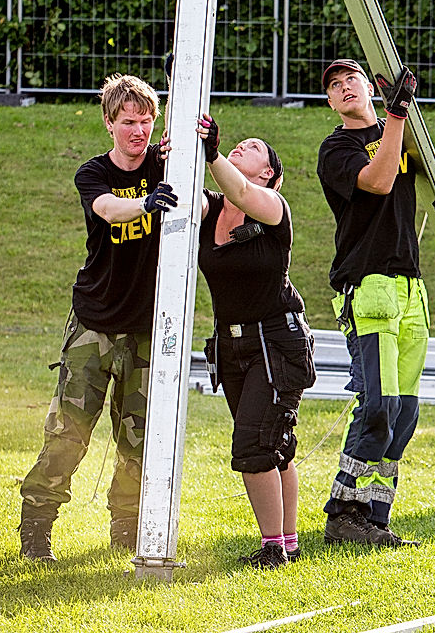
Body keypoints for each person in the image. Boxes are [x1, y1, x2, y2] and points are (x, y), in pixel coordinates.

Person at [19, 73, 178, 561]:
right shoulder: (93, 173)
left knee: (138, 439)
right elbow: (109, 210)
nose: (139, 132)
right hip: (95, 321)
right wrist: (147, 202)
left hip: (147, 329)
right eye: (129, 122)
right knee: (69, 432)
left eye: (146, 121)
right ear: (110, 123)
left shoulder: (166, 161)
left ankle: (126, 532)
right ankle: (37, 528)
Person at [317, 58, 435, 547]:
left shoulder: (398, 129)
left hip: (409, 287)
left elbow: (424, 171)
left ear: (366, 86)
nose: (344, 89)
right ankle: (343, 512)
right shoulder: (337, 148)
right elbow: (379, 181)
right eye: (334, 87)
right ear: (332, 102)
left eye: (350, 80)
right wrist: (397, 116)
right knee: (377, 403)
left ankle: (377, 517)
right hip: (368, 284)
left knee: (405, 412)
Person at [194, 113, 315, 571]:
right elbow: (192, 187)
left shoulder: (270, 207)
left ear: (270, 174)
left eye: (253, 147)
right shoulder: (210, 208)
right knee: (274, 443)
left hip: (276, 340)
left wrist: (212, 152)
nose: (241, 147)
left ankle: (272, 549)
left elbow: (240, 192)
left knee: (253, 445)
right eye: (236, 146)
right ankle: (288, 540)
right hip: (230, 345)